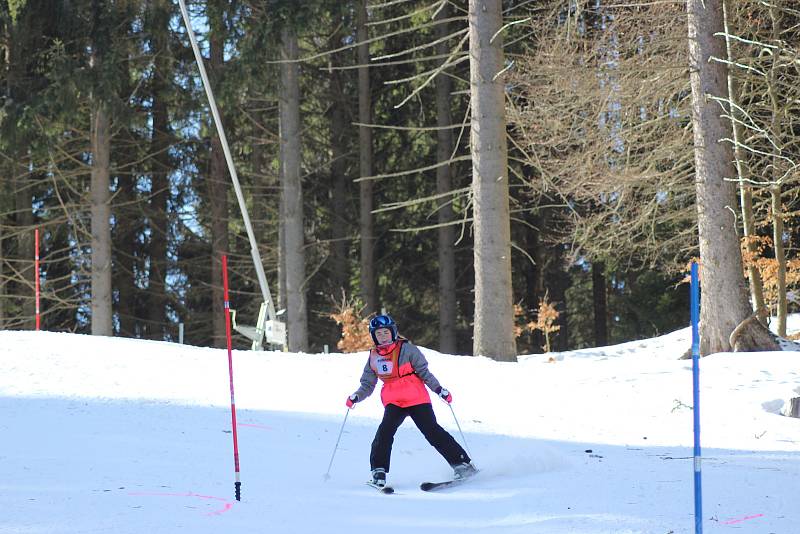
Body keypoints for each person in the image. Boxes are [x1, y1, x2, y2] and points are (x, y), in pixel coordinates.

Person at [345, 314, 477, 488]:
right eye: (379, 334)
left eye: (386, 332)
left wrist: (439, 390)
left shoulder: (408, 350)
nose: (383, 336)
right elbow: (368, 384)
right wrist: (356, 396)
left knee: (432, 431)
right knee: (384, 434)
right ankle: (378, 472)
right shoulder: (373, 357)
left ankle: (462, 464)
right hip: (394, 402)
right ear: (373, 336)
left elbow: (425, 373)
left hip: (416, 398)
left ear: (393, 332)